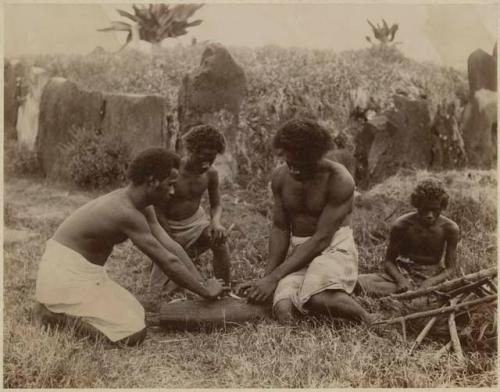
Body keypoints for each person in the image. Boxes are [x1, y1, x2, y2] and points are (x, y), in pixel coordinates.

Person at [34, 148, 227, 346]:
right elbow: (166, 261)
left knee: (138, 313)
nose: (172, 192)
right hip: (64, 274)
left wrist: (203, 282)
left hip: (88, 274)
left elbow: (172, 247)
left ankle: (57, 306)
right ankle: (54, 317)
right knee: (133, 334)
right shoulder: (125, 212)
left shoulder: (144, 205)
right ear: (152, 181)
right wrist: (204, 291)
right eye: (169, 185)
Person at [238, 118, 375, 326]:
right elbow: (280, 228)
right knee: (282, 309)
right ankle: (324, 296)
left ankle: (369, 319)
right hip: (300, 252)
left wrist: (274, 278)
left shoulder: (339, 179)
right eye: (289, 163)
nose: (293, 170)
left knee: (317, 297)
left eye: (300, 165)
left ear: (316, 157)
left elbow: (321, 238)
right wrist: (266, 279)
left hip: (333, 248)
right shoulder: (280, 177)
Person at [148, 124, 231, 298]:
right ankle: (180, 272)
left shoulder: (211, 174)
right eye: (203, 157)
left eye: (212, 158)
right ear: (191, 150)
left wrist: (216, 222)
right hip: (169, 226)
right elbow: (158, 211)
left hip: (196, 223)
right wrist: (169, 239)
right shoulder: (172, 172)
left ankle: (224, 289)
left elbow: (216, 204)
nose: (207, 163)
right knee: (158, 292)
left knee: (219, 241)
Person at [357, 178, 459, 297]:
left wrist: (431, 281)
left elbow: (451, 269)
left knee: (453, 289)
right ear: (417, 205)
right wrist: (401, 280)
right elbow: (389, 261)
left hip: (432, 275)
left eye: (435, 210)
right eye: (425, 209)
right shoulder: (401, 225)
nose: (430, 215)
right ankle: (410, 293)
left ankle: (412, 295)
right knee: (358, 282)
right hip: (403, 272)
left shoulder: (450, 228)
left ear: (442, 207)